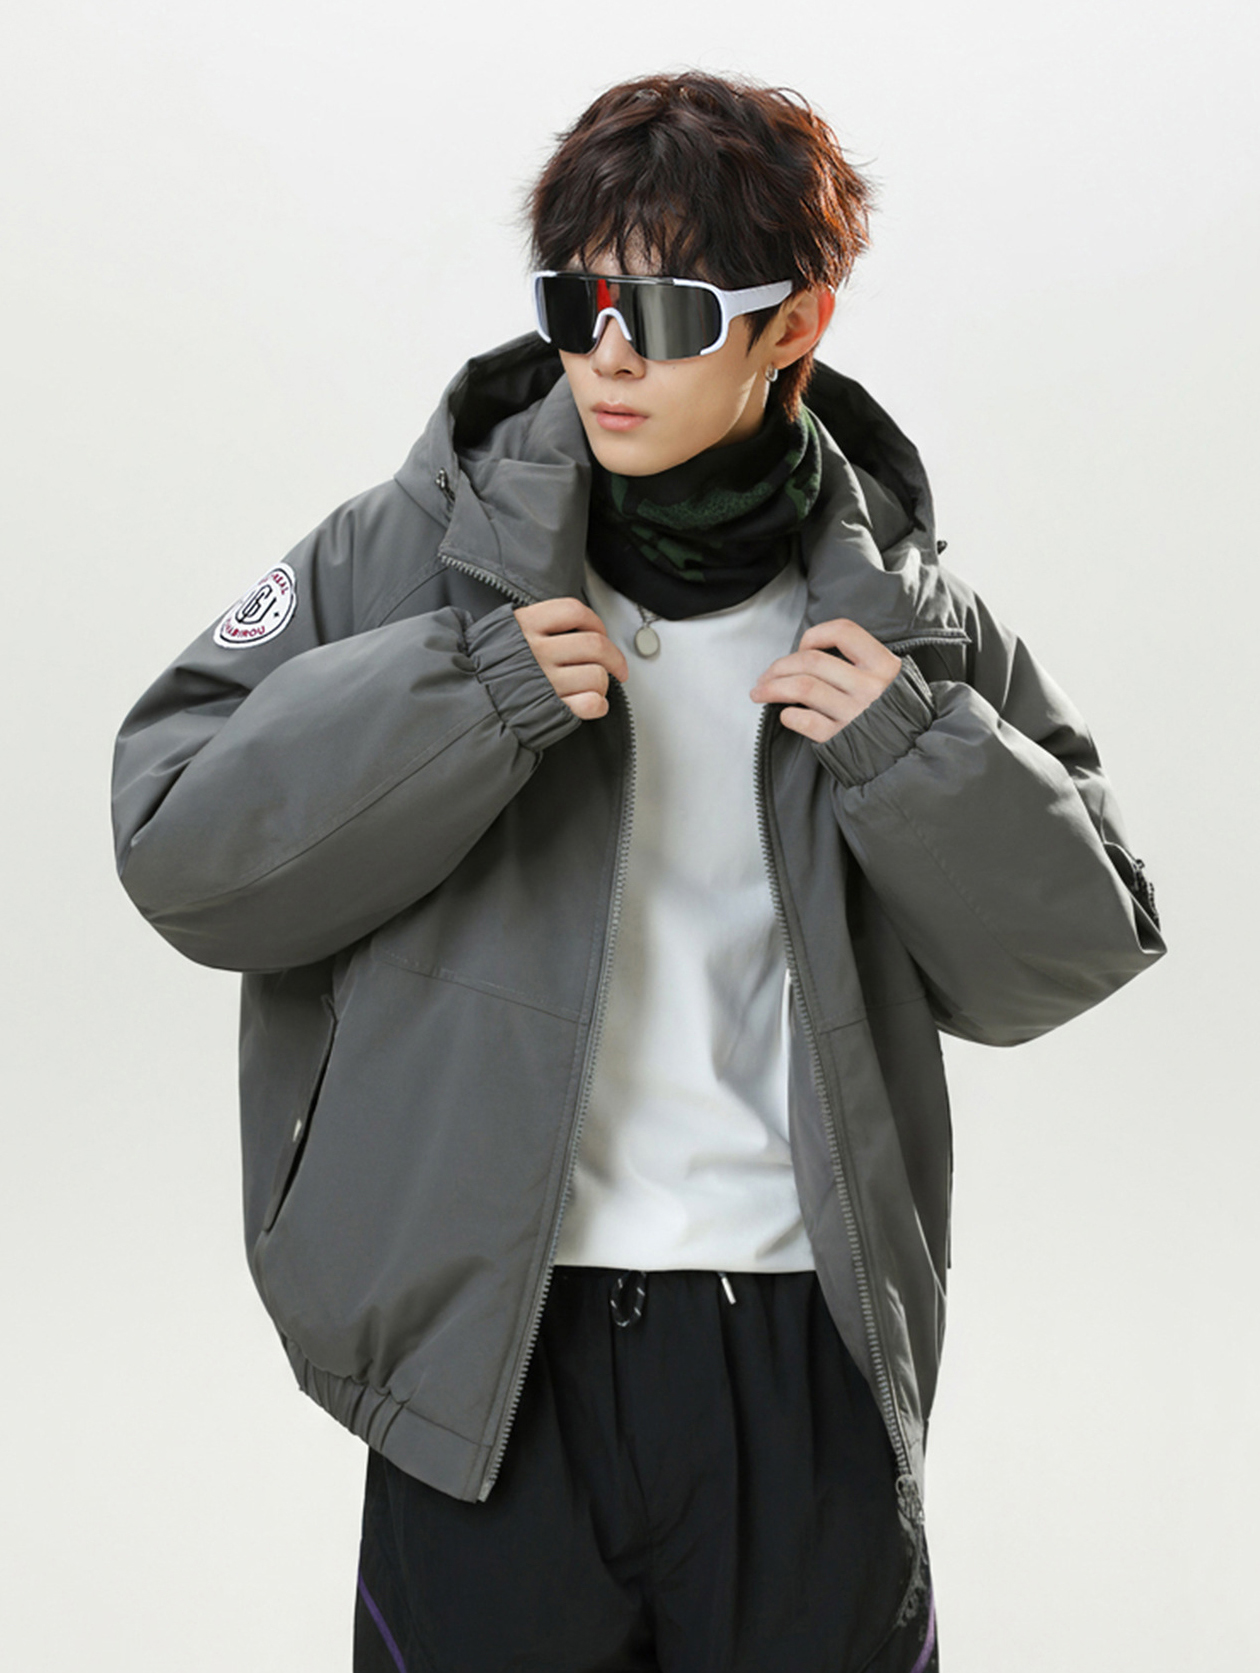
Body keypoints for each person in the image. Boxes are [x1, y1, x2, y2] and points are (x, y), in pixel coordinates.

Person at [110, 70, 1165, 1673]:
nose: (607, 352)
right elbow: (180, 846)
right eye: (576, 302)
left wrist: (912, 751)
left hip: (805, 1353)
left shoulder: (903, 621)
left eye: (664, 314)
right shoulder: (408, 558)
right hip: (489, 1360)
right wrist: (461, 700)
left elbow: (1072, 948)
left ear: (793, 326)